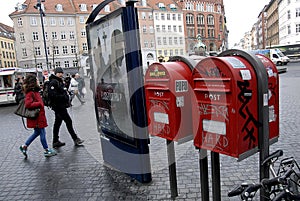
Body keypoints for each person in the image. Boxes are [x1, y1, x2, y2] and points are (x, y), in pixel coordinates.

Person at [19, 74, 57, 158]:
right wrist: (39, 104)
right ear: (33, 82)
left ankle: (24, 146)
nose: (37, 81)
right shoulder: (30, 92)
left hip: (39, 116)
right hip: (37, 117)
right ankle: (46, 150)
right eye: (36, 80)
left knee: (37, 132)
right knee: (42, 132)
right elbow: (28, 104)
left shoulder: (34, 91)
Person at [48, 67, 84, 148]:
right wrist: (63, 97)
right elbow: (52, 95)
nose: (61, 74)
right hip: (58, 106)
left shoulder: (59, 81)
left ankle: (55, 141)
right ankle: (75, 139)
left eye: (61, 72)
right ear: (56, 73)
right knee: (68, 121)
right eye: (59, 73)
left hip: (60, 106)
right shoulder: (53, 82)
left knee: (57, 123)